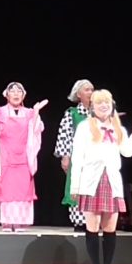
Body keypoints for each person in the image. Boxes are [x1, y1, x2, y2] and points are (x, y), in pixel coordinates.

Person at [69, 89, 132, 264]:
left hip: (112, 182)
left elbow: (127, 151)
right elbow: (77, 158)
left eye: (107, 103)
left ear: (112, 106)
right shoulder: (85, 127)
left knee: (110, 228)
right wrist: (75, 186)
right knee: (92, 227)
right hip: (91, 182)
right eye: (99, 103)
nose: (103, 106)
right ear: (93, 107)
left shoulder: (118, 129)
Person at [0, 82, 47, 232]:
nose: (16, 94)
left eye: (19, 91)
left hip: (23, 157)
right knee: (7, 190)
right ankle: (7, 221)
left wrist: (36, 112)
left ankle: (20, 222)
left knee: (23, 189)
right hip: (5, 156)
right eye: (13, 91)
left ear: (23, 95)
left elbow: (37, 130)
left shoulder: (29, 113)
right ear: (7, 95)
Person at [54, 79, 94, 231]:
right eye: (87, 90)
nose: (90, 92)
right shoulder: (72, 114)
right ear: (78, 94)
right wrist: (65, 156)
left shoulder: (99, 114)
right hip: (78, 160)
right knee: (77, 187)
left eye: (92, 89)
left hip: (96, 160)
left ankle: (94, 221)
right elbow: (64, 136)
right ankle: (80, 222)